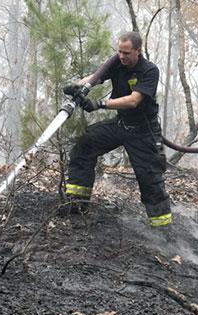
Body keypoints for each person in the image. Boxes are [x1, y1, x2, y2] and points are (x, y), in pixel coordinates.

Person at [61, 31, 171, 228]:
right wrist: (76, 86)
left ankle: (161, 226)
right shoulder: (117, 63)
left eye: (126, 53)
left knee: (149, 176)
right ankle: (77, 204)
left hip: (143, 131)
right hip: (121, 124)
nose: (122, 56)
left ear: (138, 51)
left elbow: (133, 101)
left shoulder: (149, 71)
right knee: (84, 146)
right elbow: (95, 77)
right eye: (119, 51)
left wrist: (99, 104)